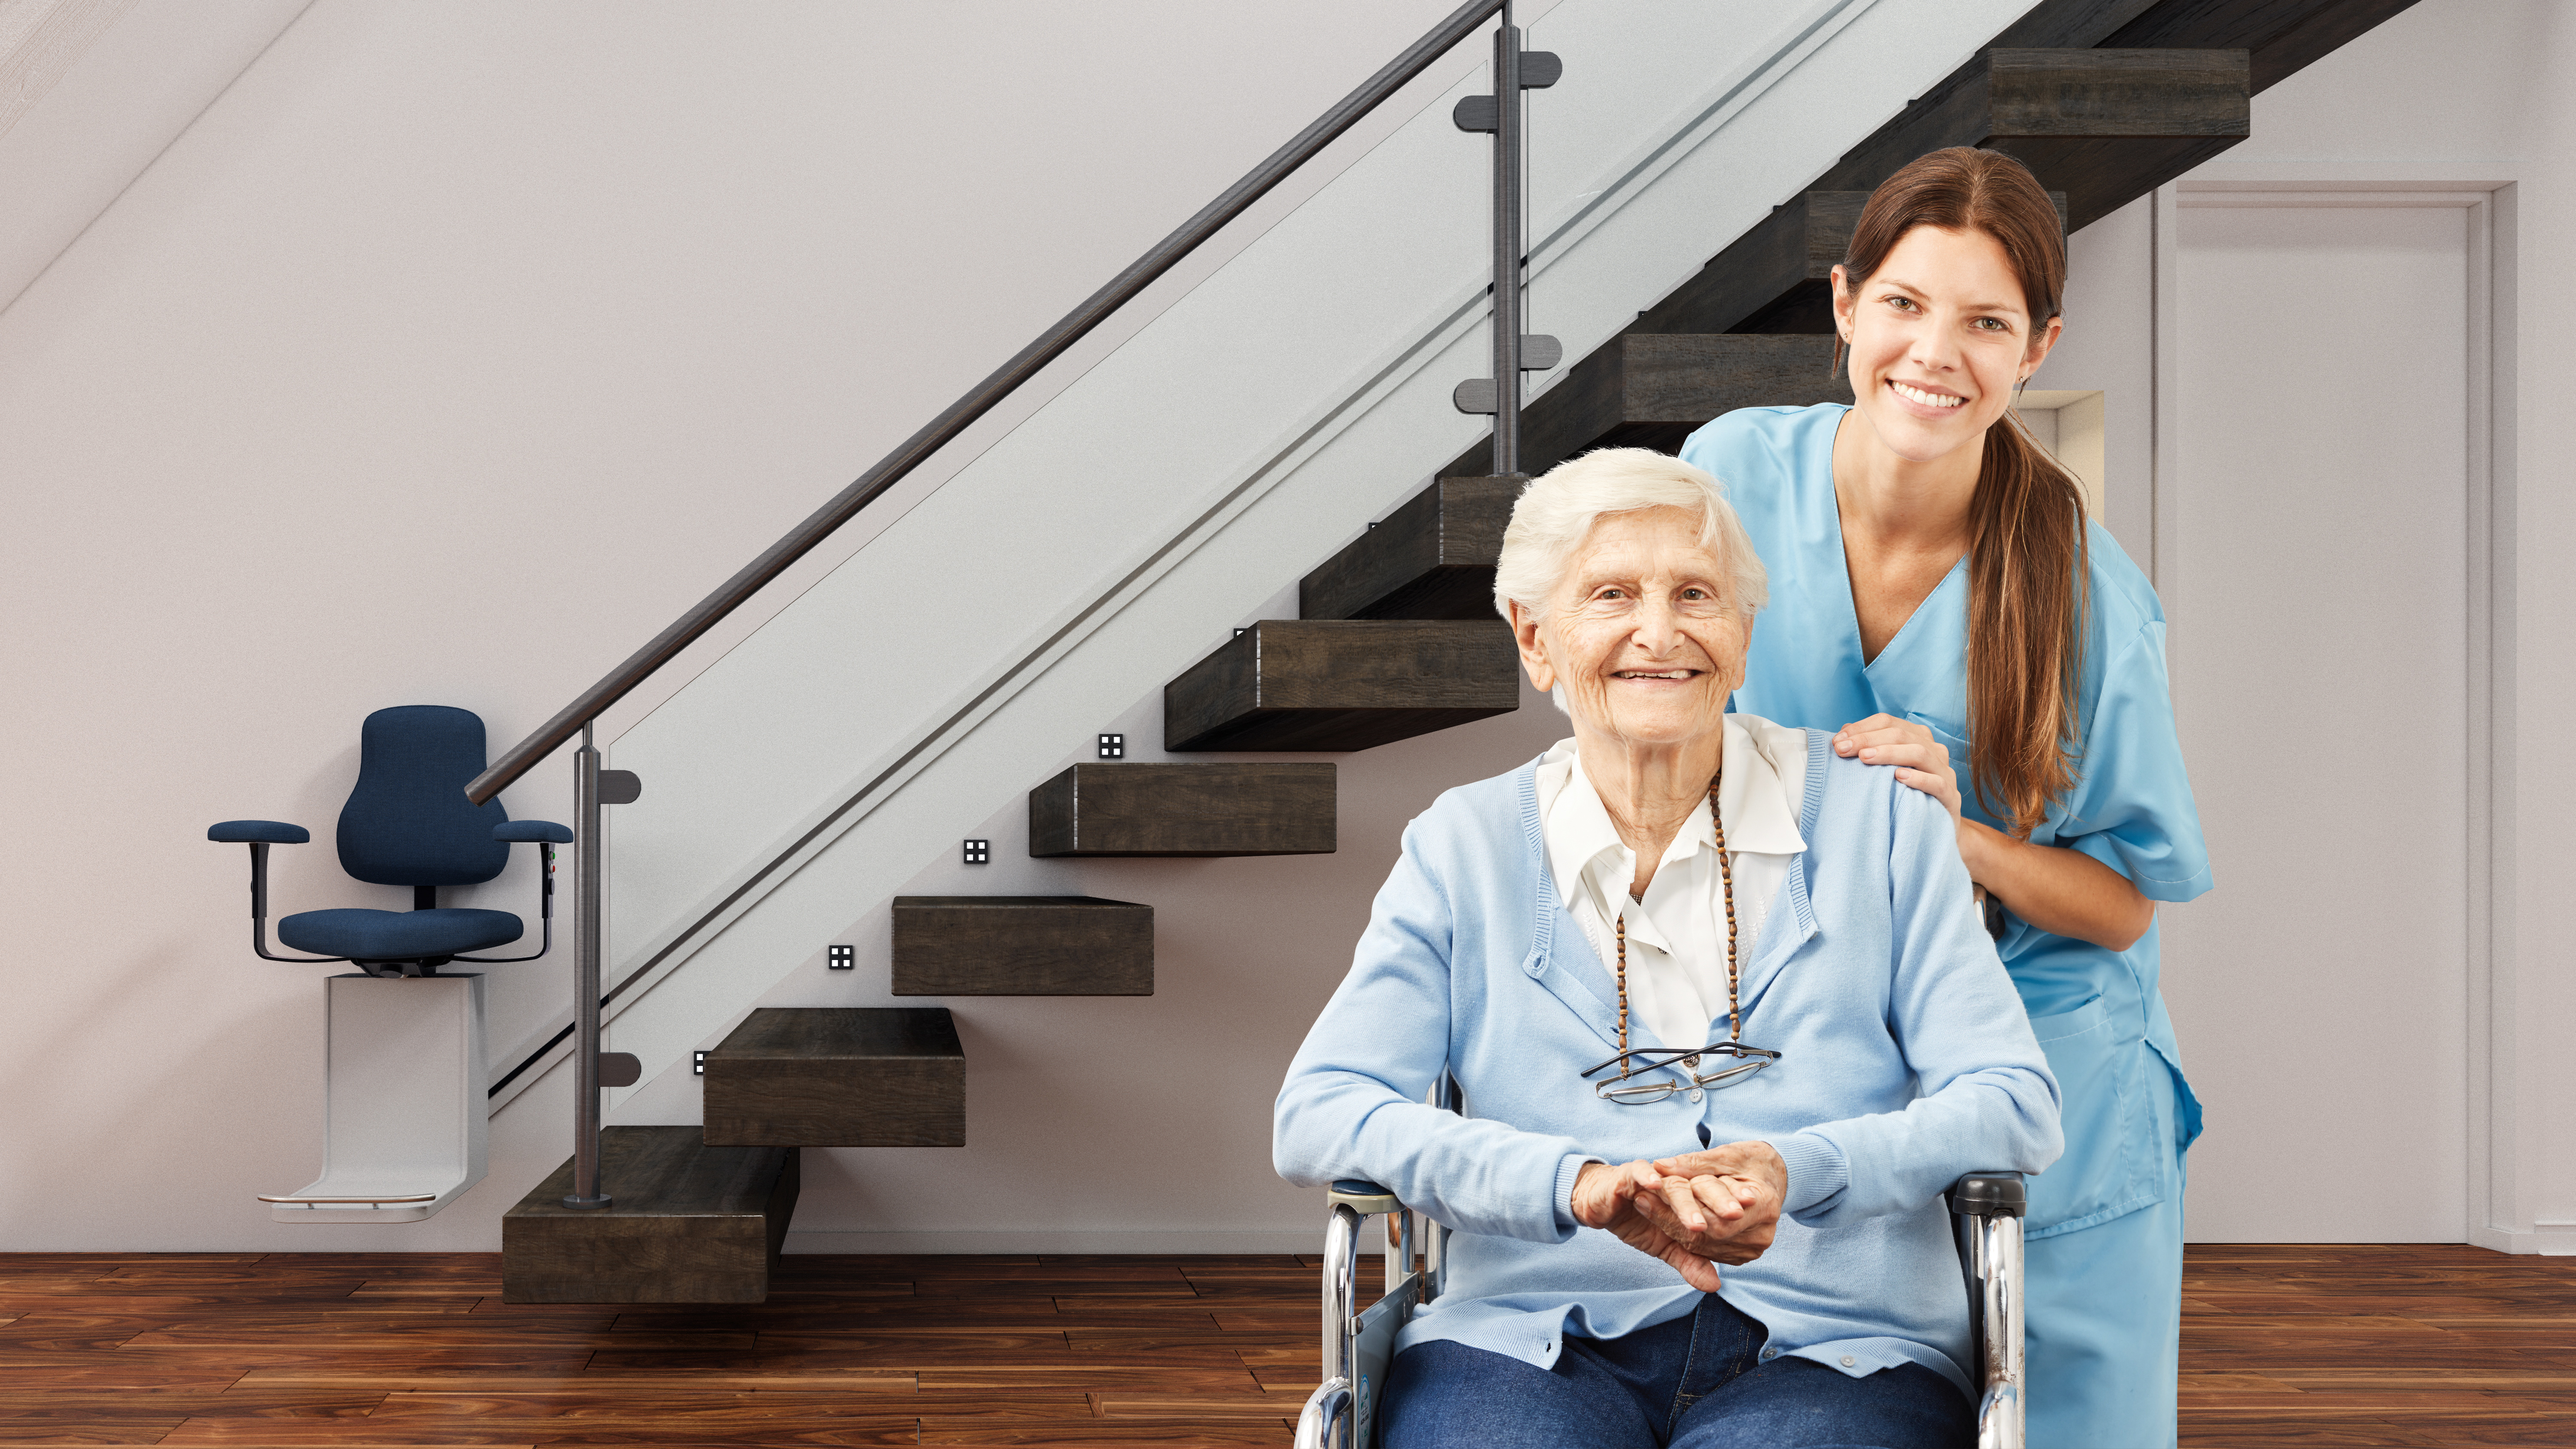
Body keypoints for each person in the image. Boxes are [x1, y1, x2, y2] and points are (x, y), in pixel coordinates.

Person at [1273, 447, 2062, 1449]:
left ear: (1741, 634)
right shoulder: (1462, 845)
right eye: (1611, 594)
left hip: (1841, 1346)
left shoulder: (1882, 823)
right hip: (1526, 1338)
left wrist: (1803, 1164)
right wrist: (1569, 1181)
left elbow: (2013, 1098)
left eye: (1698, 593)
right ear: (1535, 637)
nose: (1661, 631)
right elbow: (1319, 1111)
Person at [1676, 146, 2211, 1449]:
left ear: (2037, 349)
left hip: (2045, 1068)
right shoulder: (1730, 478)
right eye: (1907, 305)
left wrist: (1956, 831)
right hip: (1819, 1043)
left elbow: (2127, 906)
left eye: (1986, 322)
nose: (1936, 353)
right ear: (1847, 306)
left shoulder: (2082, 588)